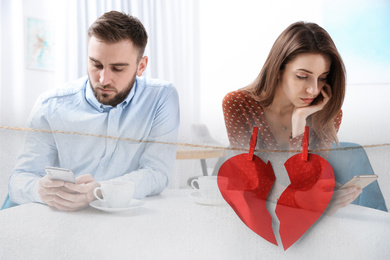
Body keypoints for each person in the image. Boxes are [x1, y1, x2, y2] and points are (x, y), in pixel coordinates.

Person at [8, 11, 180, 211]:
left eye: (117, 68)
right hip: (60, 219)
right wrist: (39, 189)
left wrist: (100, 191)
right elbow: (18, 180)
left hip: (121, 221)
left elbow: (157, 173)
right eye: (95, 64)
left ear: (141, 66)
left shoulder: (161, 97)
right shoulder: (50, 105)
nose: (103, 79)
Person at [222, 21, 383, 215]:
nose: (314, 90)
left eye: (322, 77)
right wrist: (309, 201)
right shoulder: (238, 104)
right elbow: (253, 182)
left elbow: (306, 182)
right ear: (278, 70)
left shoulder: (327, 114)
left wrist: (299, 121)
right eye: (302, 76)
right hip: (269, 209)